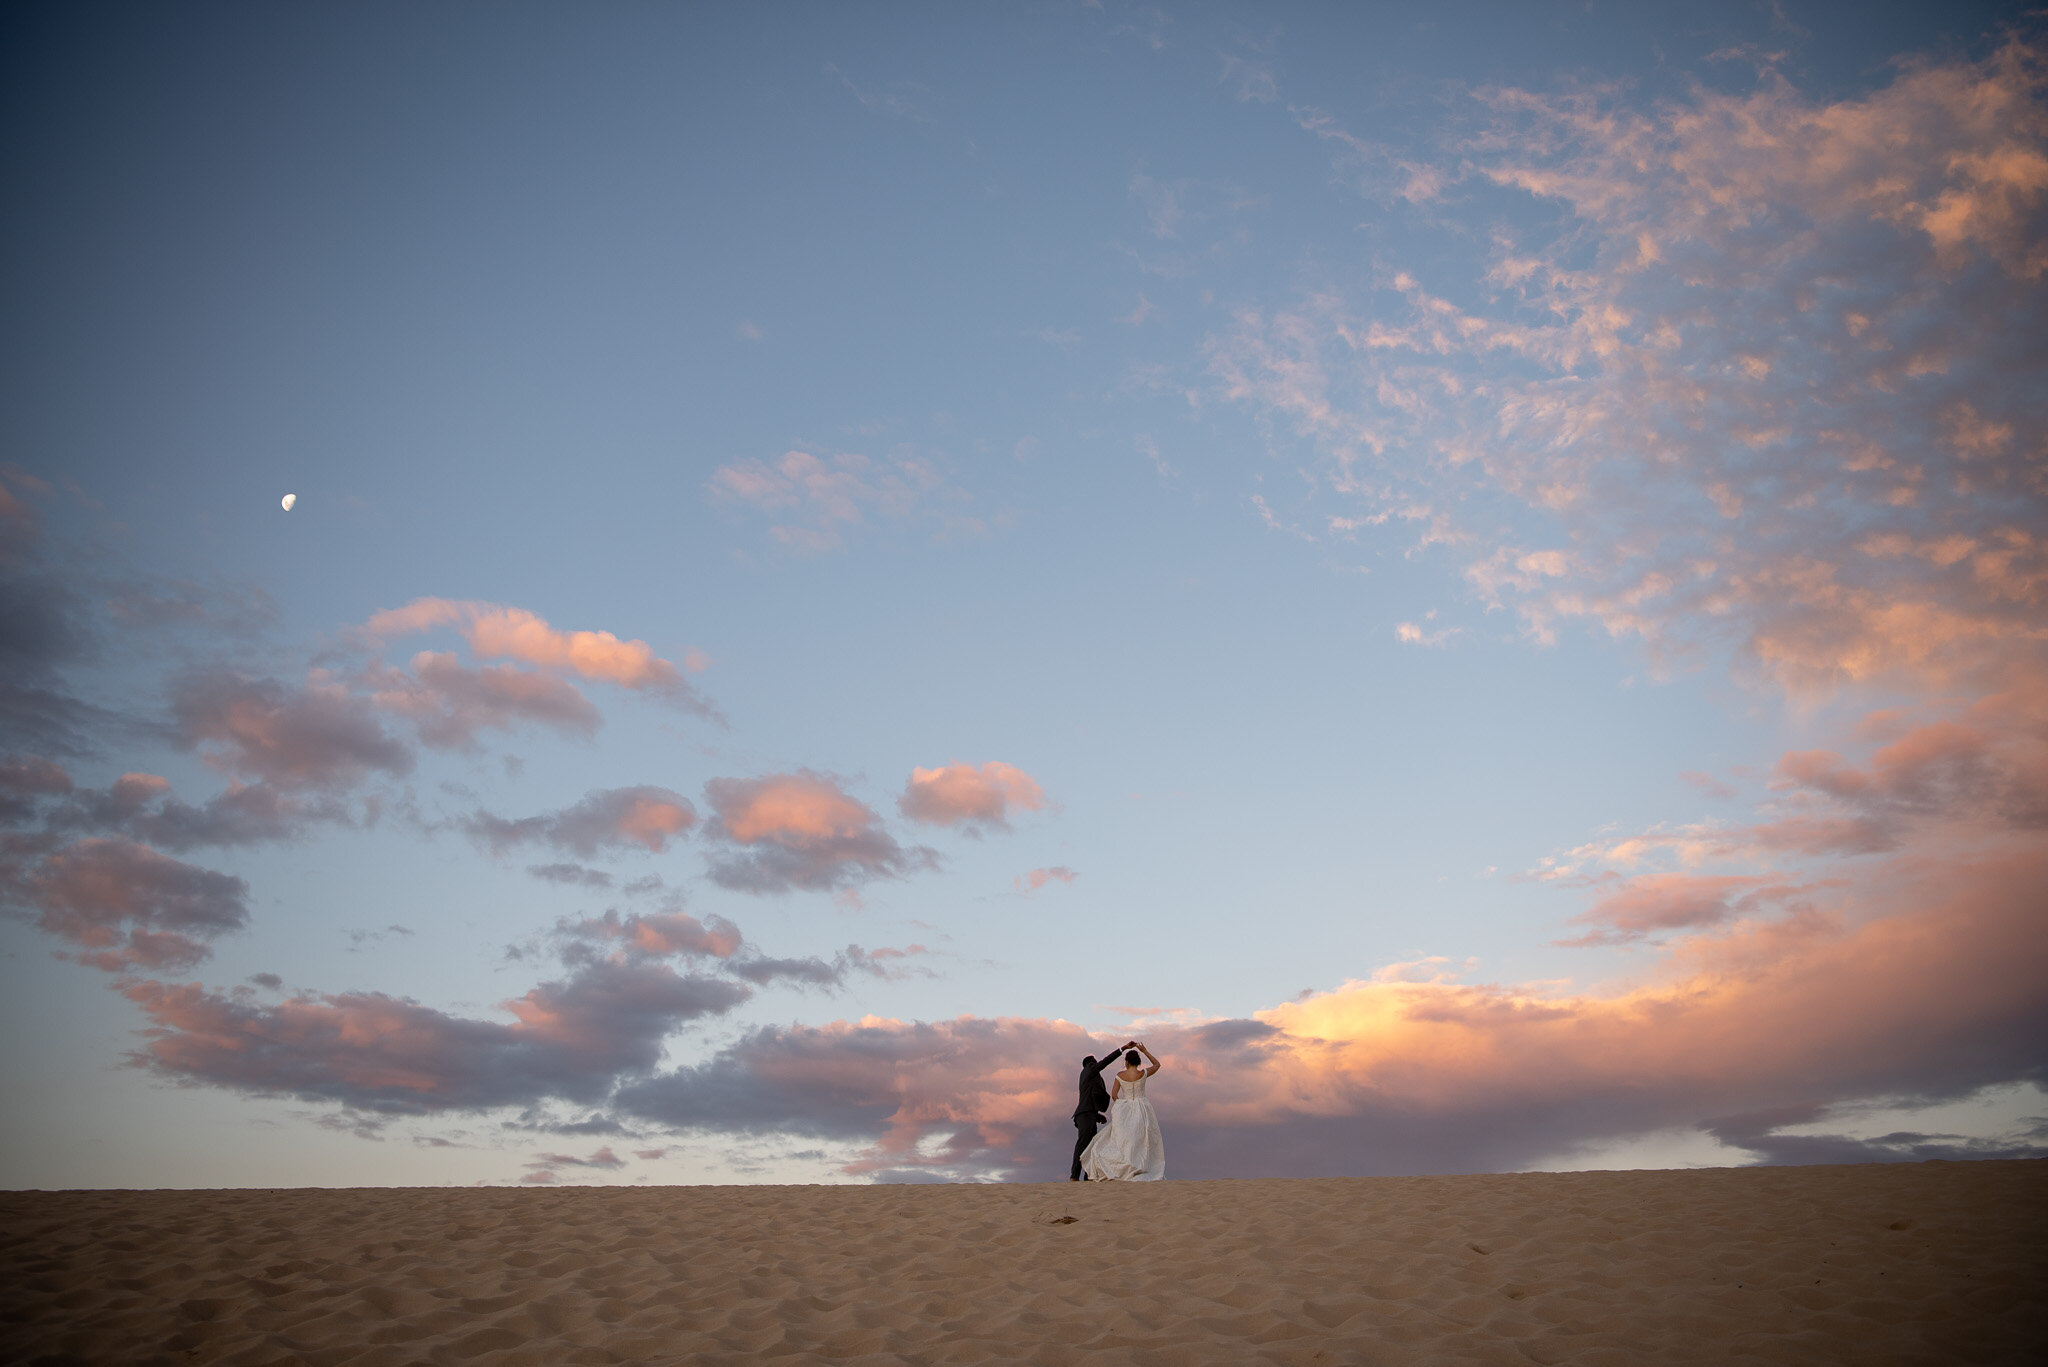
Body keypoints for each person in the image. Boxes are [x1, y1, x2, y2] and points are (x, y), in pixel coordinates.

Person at [1079, 1041, 1165, 1181]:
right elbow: (1157, 1065)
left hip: (1125, 1109)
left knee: (1125, 1140)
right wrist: (1144, 1050)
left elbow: (1114, 1095)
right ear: (1137, 1061)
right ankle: (1139, 1165)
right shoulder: (1143, 1073)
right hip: (1142, 1108)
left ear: (1126, 1062)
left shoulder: (1120, 1075)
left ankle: (1124, 1166)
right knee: (1141, 1141)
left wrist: (1122, 1106)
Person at [1071, 1040, 1136, 1180]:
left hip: (1089, 1114)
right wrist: (1123, 1048)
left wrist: (1098, 1115)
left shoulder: (1089, 1077)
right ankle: (1074, 1176)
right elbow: (1105, 1061)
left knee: (1091, 1147)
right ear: (1090, 1063)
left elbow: (1091, 1096)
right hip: (1085, 1115)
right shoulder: (1089, 1069)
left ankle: (1088, 1177)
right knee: (1083, 1146)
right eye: (1094, 1062)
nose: (1096, 1063)